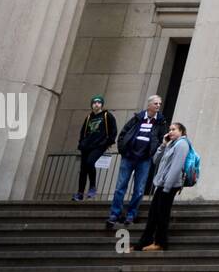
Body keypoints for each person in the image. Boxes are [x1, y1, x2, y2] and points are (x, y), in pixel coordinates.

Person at [107, 95, 165, 230]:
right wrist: (123, 150)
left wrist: (152, 153)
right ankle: (114, 214)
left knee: (139, 190)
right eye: (156, 103)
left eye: (160, 104)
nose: (158, 106)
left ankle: (131, 215)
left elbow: (162, 139)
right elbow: (123, 134)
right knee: (120, 187)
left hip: (144, 160)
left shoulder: (161, 122)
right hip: (129, 157)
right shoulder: (137, 118)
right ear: (149, 105)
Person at [132, 122, 190, 253]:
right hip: (163, 184)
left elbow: (176, 168)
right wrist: (163, 144)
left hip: (169, 186)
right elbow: (156, 160)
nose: (170, 132)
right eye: (170, 130)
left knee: (162, 214)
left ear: (182, 131)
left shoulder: (182, 144)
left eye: (174, 129)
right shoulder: (172, 144)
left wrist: (167, 187)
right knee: (153, 214)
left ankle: (160, 243)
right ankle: (144, 242)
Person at [73, 95, 116, 201]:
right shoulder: (88, 117)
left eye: (99, 102)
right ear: (91, 105)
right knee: (83, 170)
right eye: (94, 102)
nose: (96, 104)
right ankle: (80, 193)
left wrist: (107, 142)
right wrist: (81, 144)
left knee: (90, 163)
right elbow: (83, 132)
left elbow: (113, 131)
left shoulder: (107, 115)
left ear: (102, 104)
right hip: (86, 146)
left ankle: (92, 186)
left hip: (99, 146)